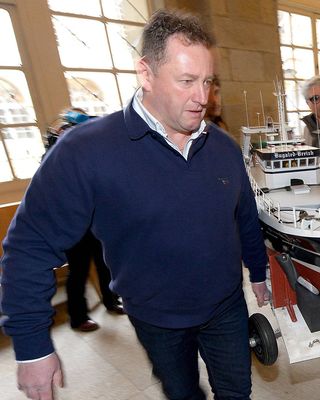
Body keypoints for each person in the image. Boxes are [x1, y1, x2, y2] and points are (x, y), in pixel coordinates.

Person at [1, 9, 269, 400]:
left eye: (208, 81)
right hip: (156, 317)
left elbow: (244, 216)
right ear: (145, 74)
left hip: (226, 306)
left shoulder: (224, 148)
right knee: (182, 394)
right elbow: (28, 246)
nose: (203, 98)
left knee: (236, 392)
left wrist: (258, 272)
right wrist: (31, 346)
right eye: (187, 81)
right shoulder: (85, 151)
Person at [47, 108, 125, 332]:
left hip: (97, 222)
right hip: (73, 226)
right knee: (78, 272)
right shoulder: (54, 155)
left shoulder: (93, 154)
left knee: (104, 264)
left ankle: (111, 300)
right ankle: (78, 317)